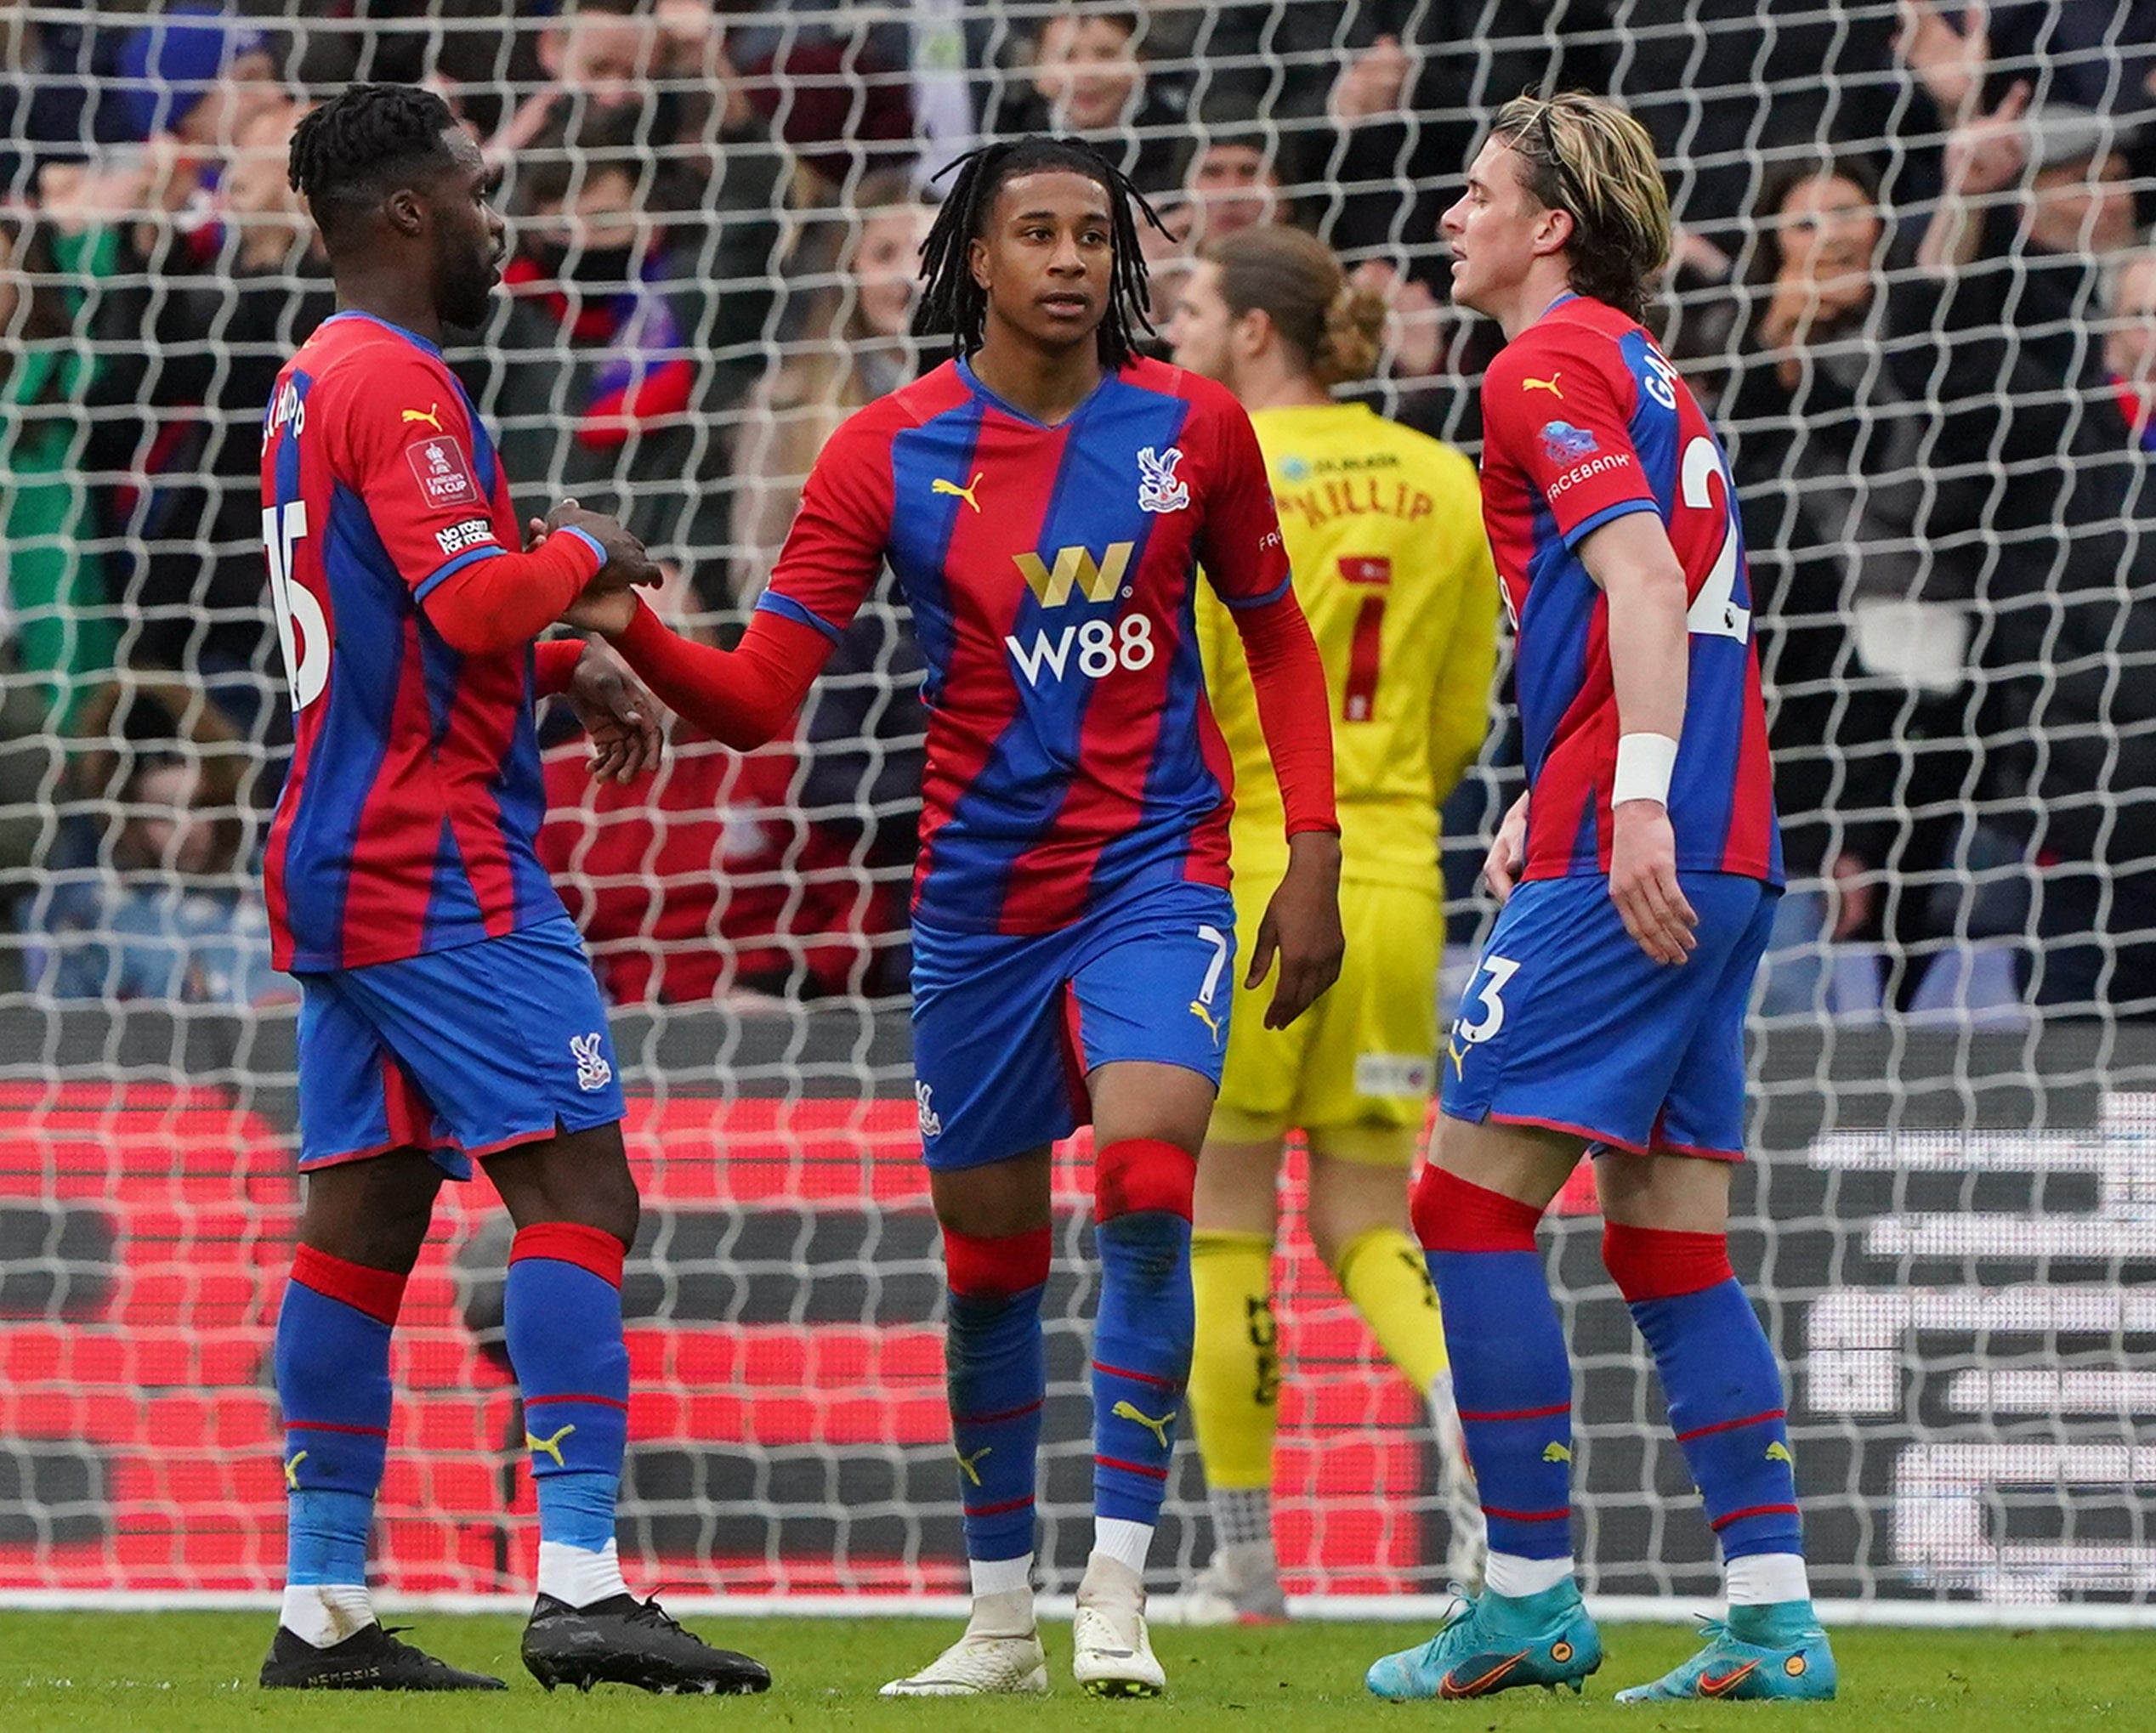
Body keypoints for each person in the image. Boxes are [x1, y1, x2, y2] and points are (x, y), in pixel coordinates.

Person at [565, 133, 1346, 1697]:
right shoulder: (884, 449)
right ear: (973, 263)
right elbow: (763, 702)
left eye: (1092, 234)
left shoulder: (1192, 428)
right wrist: (623, 623)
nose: (1069, 259)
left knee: (1143, 1176)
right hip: (978, 907)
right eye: (1036, 234)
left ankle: (1116, 1598)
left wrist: (1310, 853)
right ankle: (1001, 1624)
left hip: (1156, 868)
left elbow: (1272, 637)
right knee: (989, 1262)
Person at [256, 82, 768, 1695]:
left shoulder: (309, 379)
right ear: (409, 211)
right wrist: (586, 560)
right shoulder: (399, 385)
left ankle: (324, 1612)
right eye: (472, 190)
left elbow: (410, 638)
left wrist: (556, 673)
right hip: (438, 863)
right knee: (581, 1197)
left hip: (344, 850)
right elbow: (474, 600)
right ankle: (582, 1584)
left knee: (364, 1223)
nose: (495, 216)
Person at [1362, 94, 1836, 1702]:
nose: (1451, 219)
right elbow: (1649, 610)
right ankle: (1773, 1620)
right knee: (1666, 1245)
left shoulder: (1541, 364)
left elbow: (1639, 583)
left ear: (1549, 224)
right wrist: (1556, 792)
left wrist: (1622, 798)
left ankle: (1527, 1600)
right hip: (1729, 833)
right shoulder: (1650, 370)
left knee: (1460, 1204)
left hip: (1641, 833)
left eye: (1476, 194)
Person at [1164, 223, 1497, 1620]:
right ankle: (1472, 1434)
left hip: (1255, 880)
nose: (1170, 327)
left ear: (1254, 333)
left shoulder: (1203, 476)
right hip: (1404, 883)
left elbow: (1166, 694)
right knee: (1371, 1207)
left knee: (1221, 1221)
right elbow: (1468, 712)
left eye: (1187, 304)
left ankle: (1247, 1566)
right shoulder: (1446, 480)